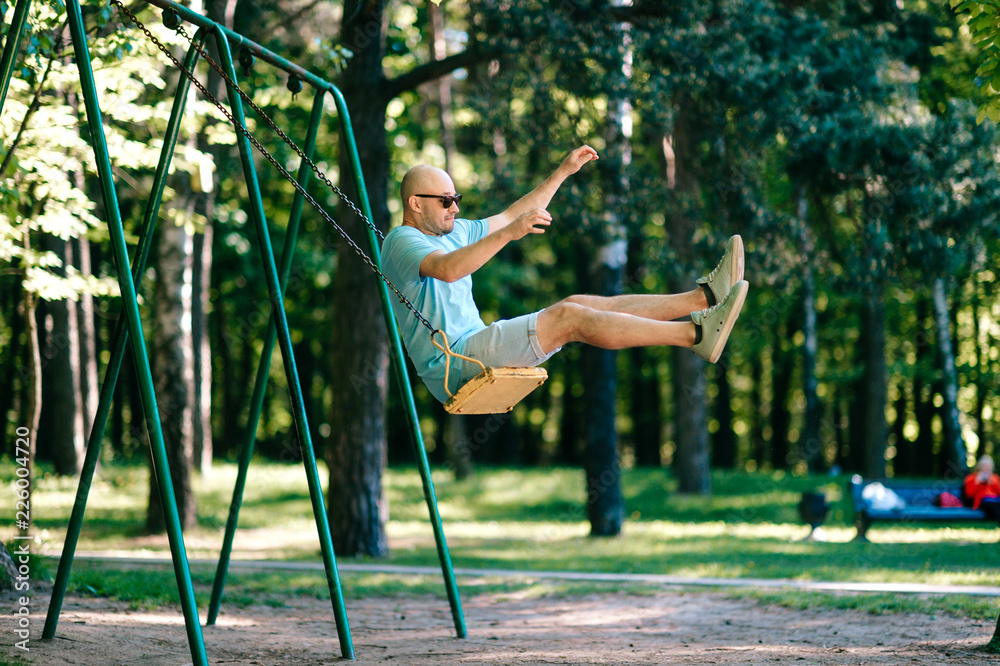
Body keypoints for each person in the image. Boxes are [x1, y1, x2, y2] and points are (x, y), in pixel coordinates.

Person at [380, 145, 749, 404]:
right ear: (415, 203)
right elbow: (447, 270)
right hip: (456, 362)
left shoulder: (456, 232)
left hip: (475, 343)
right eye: (446, 201)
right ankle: (696, 334)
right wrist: (510, 233)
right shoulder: (402, 240)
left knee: (580, 303)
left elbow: (511, 215)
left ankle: (703, 298)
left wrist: (563, 171)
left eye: (456, 198)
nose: (455, 208)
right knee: (569, 318)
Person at [963, 455, 1000, 520]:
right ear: (979, 466)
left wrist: (993, 482)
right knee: (992, 504)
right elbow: (969, 494)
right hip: (982, 502)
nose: (986, 468)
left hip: (995, 500)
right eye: (984, 466)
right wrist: (977, 482)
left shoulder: (995, 478)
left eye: (988, 466)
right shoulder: (971, 478)